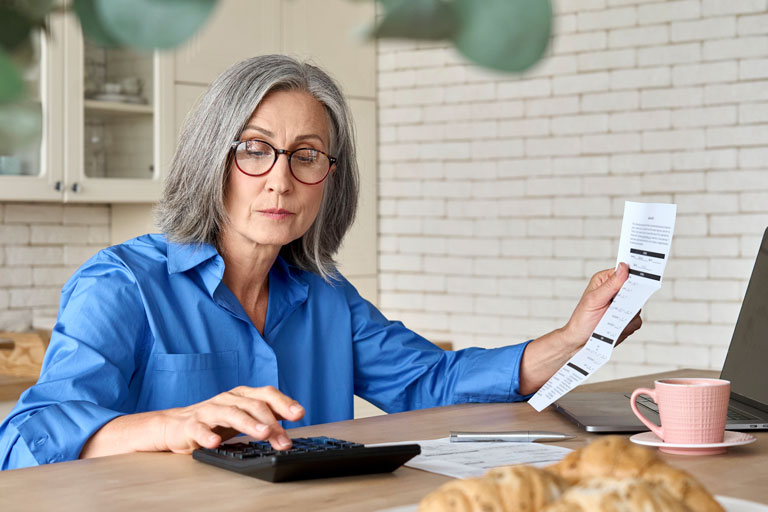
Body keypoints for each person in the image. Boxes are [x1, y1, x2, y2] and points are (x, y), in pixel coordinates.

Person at [0, 55, 640, 470]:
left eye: (307, 155)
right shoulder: (122, 286)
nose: (280, 180)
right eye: (254, 150)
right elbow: (24, 443)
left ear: (330, 179)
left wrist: (573, 338)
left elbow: (433, 384)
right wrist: (172, 425)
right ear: (210, 162)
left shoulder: (325, 296)